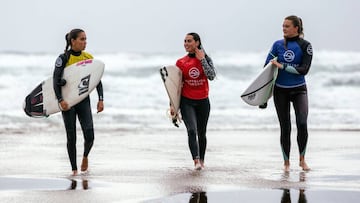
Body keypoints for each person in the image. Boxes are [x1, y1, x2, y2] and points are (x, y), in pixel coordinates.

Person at [263, 15, 313, 172]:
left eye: (287, 26)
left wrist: (282, 66)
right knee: (285, 127)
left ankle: (302, 160)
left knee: (302, 123)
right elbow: (266, 69)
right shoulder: (277, 45)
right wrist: (262, 97)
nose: (283, 28)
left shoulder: (305, 46)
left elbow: (304, 70)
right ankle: (286, 163)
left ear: (296, 28)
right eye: (283, 26)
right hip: (280, 90)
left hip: (299, 89)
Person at [53, 29, 104, 176]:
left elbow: (97, 80)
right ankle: (74, 169)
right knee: (71, 136)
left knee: (90, 134)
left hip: (83, 100)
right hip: (68, 102)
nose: (85, 42)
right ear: (72, 41)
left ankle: (85, 156)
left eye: (85, 39)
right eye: (82, 39)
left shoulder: (88, 58)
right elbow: (55, 81)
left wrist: (101, 99)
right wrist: (60, 100)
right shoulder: (63, 58)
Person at [174, 32, 216, 170]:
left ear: (197, 42)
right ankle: (196, 161)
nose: (186, 44)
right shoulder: (180, 62)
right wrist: (173, 106)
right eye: (185, 41)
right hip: (187, 102)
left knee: (202, 133)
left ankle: (202, 160)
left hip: (203, 101)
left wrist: (202, 59)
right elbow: (176, 86)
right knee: (192, 130)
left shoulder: (207, 59)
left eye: (189, 41)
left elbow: (211, 76)